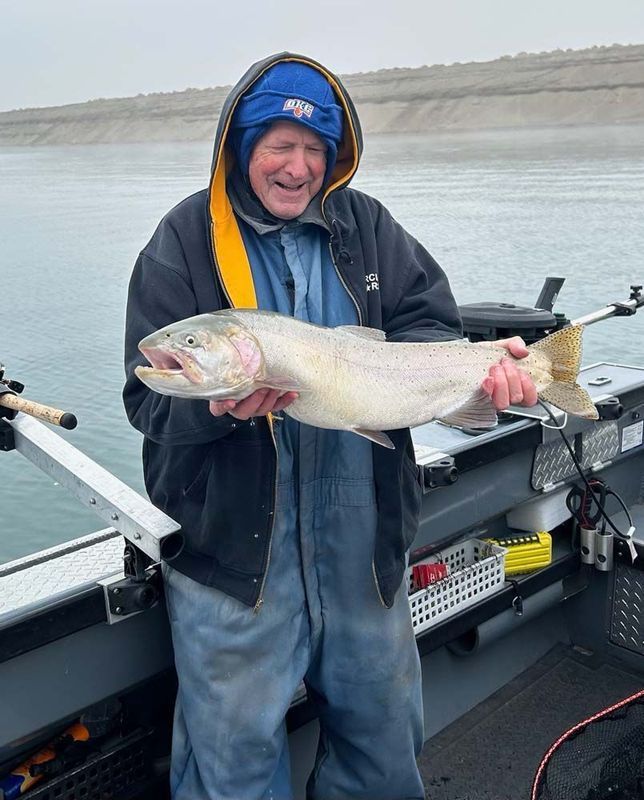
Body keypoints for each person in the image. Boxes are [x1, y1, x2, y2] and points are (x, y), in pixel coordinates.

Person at [123, 52, 537, 800]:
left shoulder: (368, 225)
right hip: (233, 560)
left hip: (364, 547)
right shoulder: (182, 241)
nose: (298, 167)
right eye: (280, 145)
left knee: (381, 750)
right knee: (232, 762)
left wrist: (481, 379)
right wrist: (215, 410)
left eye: (316, 149)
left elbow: (429, 326)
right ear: (241, 146)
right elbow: (146, 402)